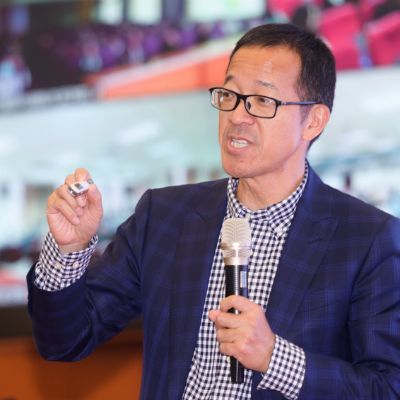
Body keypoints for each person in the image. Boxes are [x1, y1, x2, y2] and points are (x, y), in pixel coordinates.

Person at [27, 23, 400, 400]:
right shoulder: (164, 216)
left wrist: (274, 359)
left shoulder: (367, 239)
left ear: (314, 120)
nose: (237, 115)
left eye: (262, 101)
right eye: (230, 95)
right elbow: (65, 340)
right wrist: (69, 251)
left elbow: (387, 387)